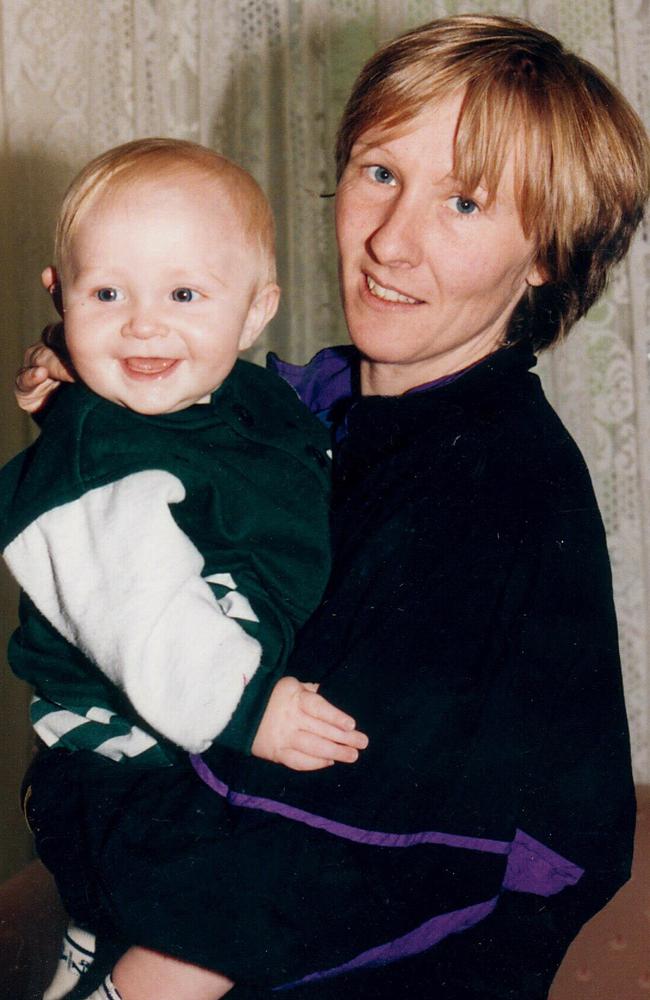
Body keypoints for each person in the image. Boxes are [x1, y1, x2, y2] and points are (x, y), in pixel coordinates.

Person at [14, 13, 650, 1000]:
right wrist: (91, 377)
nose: (391, 240)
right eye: (380, 172)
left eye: (466, 202)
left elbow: (314, 851)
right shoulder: (327, 403)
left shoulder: (491, 484)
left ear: (544, 258)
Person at [1, 138, 369, 1000]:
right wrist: (250, 708)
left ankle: (95, 954)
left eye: (184, 294)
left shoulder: (239, 403)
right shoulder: (96, 469)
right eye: (107, 294)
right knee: (231, 914)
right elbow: (151, 628)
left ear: (253, 312)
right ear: (60, 295)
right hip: (122, 762)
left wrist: (70, 357)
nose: (144, 323)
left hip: (176, 753)